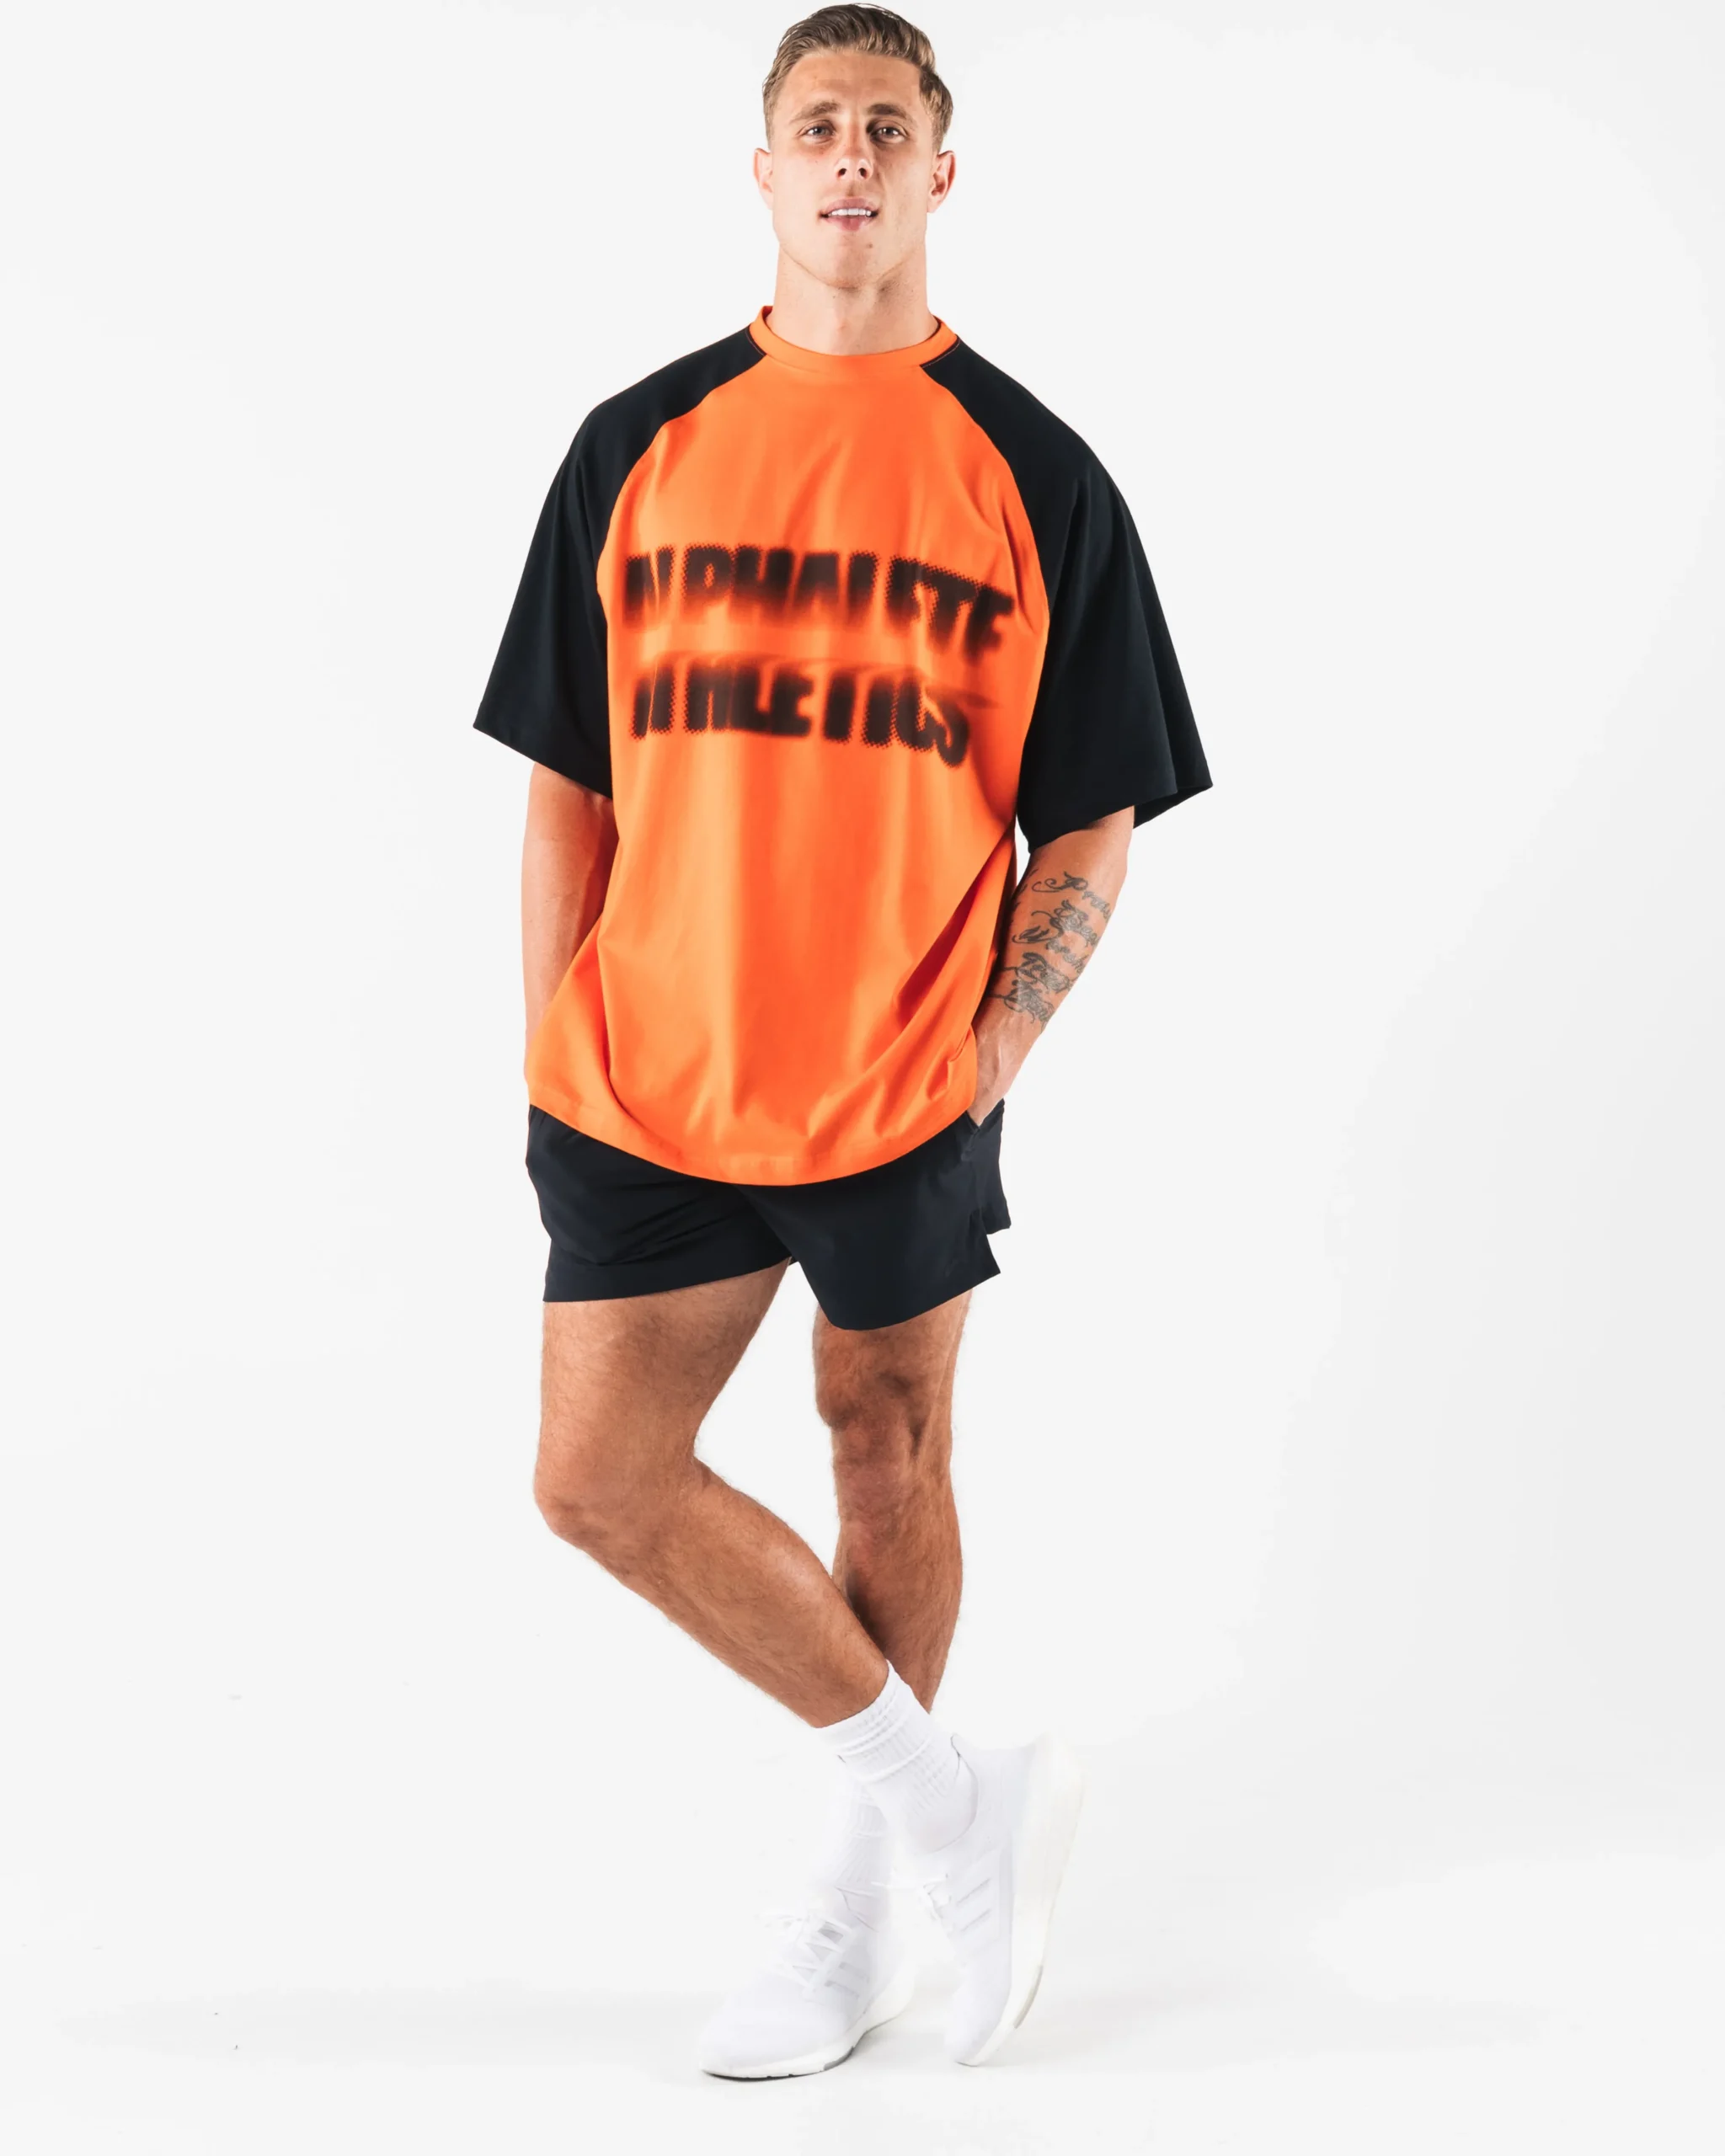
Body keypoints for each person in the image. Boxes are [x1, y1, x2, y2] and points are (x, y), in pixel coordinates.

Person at [472, 2, 1210, 2079]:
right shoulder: (638, 440)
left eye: (889, 124)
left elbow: (1095, 813)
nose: (853, 156)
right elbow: (563, 782)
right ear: (766, 169)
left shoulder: (1034, 471)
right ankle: (950, 1802)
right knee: (596, 1480)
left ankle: (848, 1899)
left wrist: (994, 1049)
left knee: (883, 1448)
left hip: (900, 1074)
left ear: (939, 170)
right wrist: (546, 1037)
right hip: (647, 1065)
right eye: (819, 125)